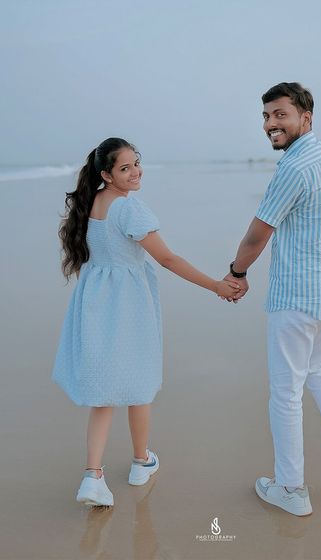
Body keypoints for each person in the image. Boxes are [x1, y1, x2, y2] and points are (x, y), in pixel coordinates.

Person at [52, 137, 240, 507]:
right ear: (106, 174)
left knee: (103, 394)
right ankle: (141, 462)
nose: (135, 172)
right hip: (127, 305)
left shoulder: (91, 204)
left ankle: (93, 476)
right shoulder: (129, 209)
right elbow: (167, 259)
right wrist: (216, 285)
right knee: (140, 381)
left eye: (136, 163)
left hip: (94, 303)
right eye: (125, 168)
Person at [224, 83, 321, 517]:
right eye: (266, 117)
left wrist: (236, 273)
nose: (270, 124)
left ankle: (291, 489)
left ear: (305, 118)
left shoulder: (293, 168)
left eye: (280, 115)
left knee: (285, 393)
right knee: (318, 368)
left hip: (297, 297)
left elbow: (259, 233)